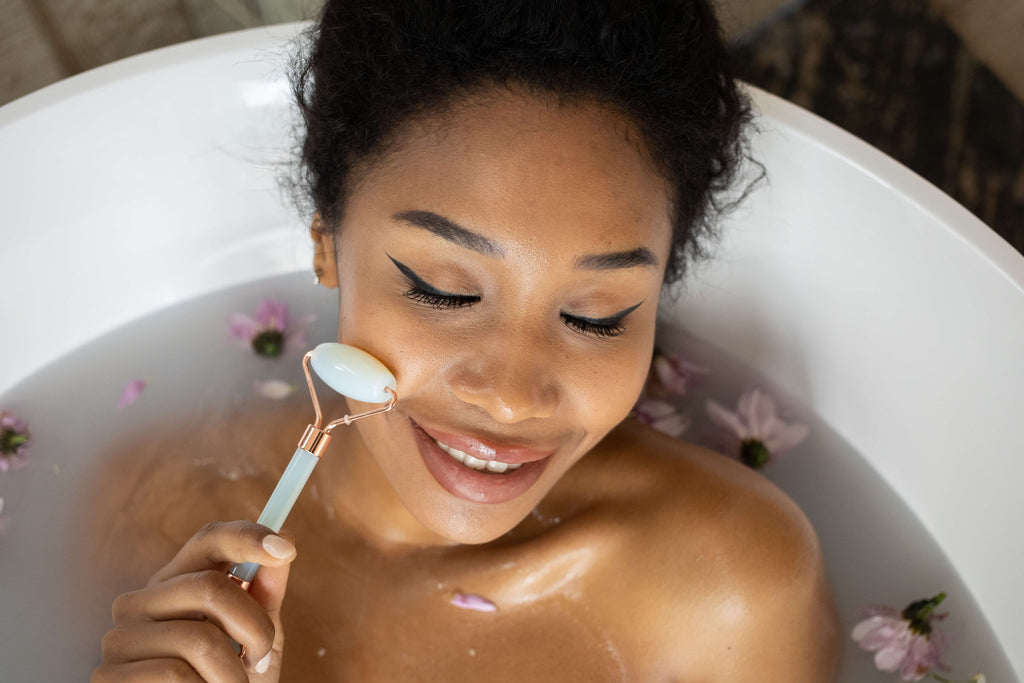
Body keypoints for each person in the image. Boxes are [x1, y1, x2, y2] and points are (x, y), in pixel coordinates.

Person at [91, 0, 839, 680]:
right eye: (444, 290)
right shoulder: (151, 506)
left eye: (598, 315)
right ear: (327, 243)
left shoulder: (731, 591)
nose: (512, 397)